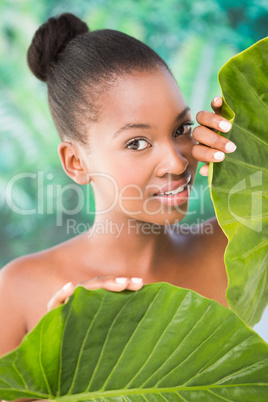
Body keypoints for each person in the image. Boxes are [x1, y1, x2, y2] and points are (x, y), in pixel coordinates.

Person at [0, 13, 236, 359]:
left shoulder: (233, 246)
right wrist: (55, 364)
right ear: (75, 162)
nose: (177, 162)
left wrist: (254, 149)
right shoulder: (19, 291)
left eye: (180, 130)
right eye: (137, 142)